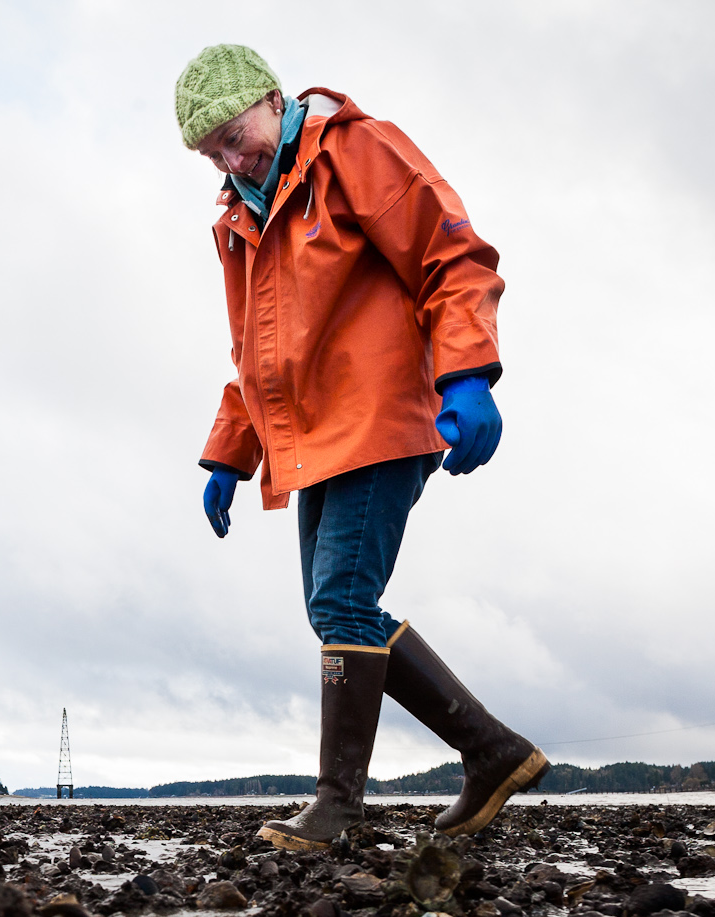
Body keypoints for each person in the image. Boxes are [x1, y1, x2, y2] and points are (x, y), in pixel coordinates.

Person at [174, 44, 548, 852]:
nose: (231, 160)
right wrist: (228, 455)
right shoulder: (240, 222)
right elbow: (254, 352)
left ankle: (339, 805)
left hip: (380, 414)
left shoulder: (355, 151)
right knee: (333, 608)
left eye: (236, 136)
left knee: (340, 599)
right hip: (314, 439)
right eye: (213, 153)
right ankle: (493, 751)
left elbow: (453, 256)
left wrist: (469, 373)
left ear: (273, 100)